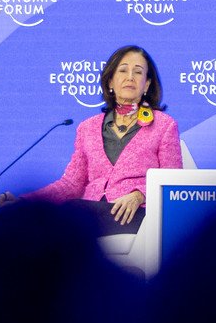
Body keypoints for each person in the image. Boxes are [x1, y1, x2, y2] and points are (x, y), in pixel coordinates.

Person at [12, 45, 181, 231]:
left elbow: (172, 181)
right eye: (123, 70)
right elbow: (71, 184)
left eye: (138, 72)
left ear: (147, 84)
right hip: (91, 213)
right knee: (55, 220)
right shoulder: (88, 128)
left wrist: (139, 195)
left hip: (136, 215)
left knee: (71, 216)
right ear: (110, 82)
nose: (130, 77)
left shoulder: (164, 125)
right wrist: (25, 201)